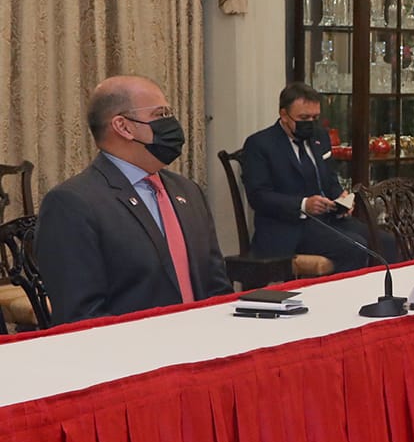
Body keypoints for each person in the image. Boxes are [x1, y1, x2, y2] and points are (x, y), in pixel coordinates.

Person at [37, 75, 231, 323]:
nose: (171, 123)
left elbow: (216, 286)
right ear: (123, 127)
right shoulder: (72, 203)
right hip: (133, 355)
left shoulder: (187, 191)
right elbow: (81, 315)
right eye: (160, 114)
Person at [238, 83, 380, 272]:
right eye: (304, 118)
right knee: (355, 246)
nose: (310, 123)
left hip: (327, 221)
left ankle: (382, 299)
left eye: (315, 118)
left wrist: (341, 199)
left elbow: (330, 179)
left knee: (384, 241)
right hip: (286, 228)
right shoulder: (260, 144)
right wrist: (304, 205)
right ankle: (339, 299)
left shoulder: (319, 137)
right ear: (284, 115)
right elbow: (259, 196)